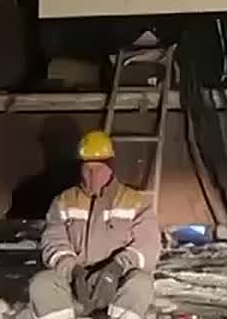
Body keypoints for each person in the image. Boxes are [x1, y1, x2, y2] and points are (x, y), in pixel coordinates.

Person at [29, 129, 159, 319]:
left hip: (116, 284)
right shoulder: (64, 201)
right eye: (87, 169)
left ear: (110, 168)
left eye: (99, 169)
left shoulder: (135, 202)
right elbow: (53, 242)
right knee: (42, 283)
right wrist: (73, 271)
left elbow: (147, 247)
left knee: (141, 284)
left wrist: (116, 268)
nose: (93, 175)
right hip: (75, 284)